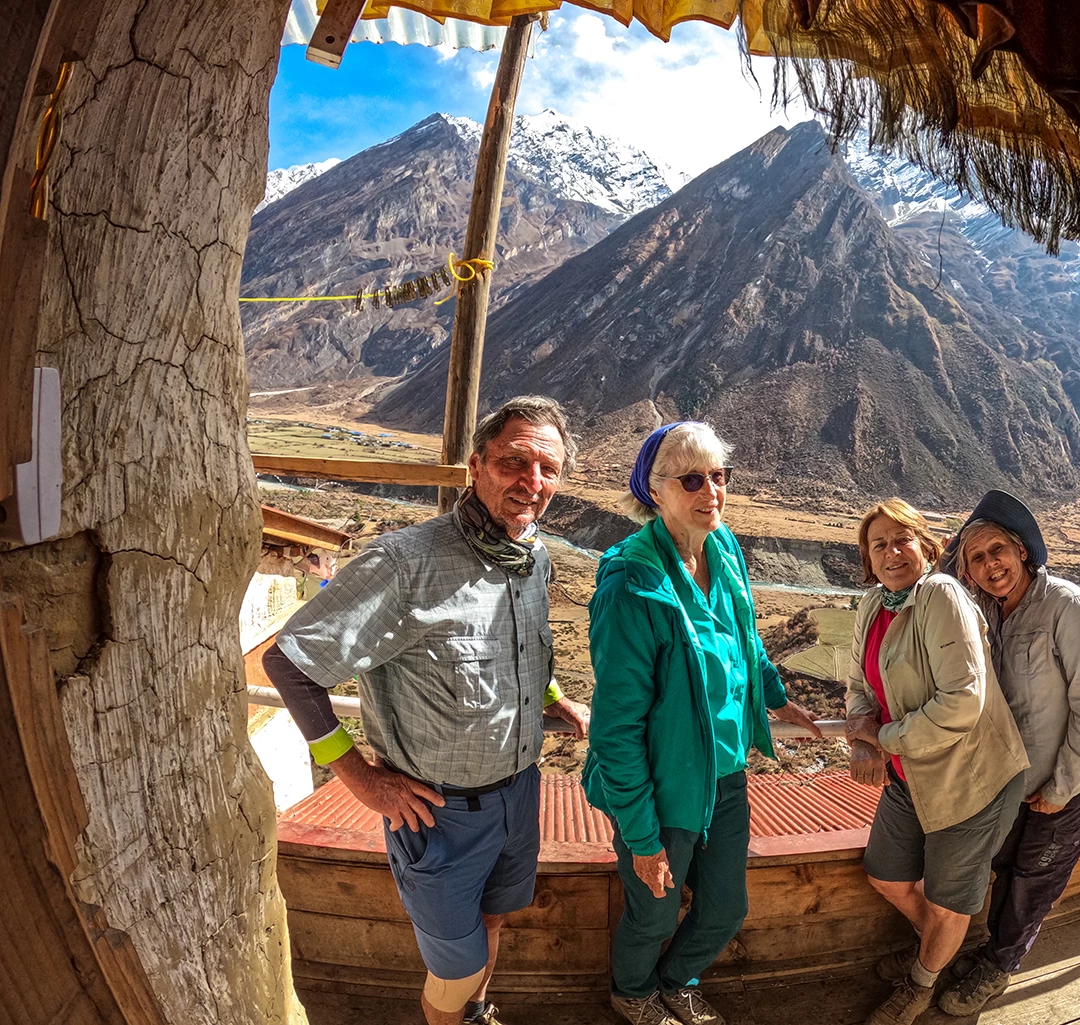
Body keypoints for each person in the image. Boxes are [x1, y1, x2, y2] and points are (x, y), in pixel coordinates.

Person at [263, 396, 591, 1025]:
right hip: (438, 815)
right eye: (514, 463)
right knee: (455, 967)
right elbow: (289, 664)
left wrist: (553, 698)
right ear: (476, 465)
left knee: (493, 921)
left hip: (519, 793)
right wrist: (360, 779)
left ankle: (475, 1014)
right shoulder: (406, 563)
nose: (532, 483)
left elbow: (519, 647)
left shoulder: (533, 556)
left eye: (547, 469)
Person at [584, 421, 822, 1025]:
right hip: (664, 785)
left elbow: (743, 638)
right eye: (692, 479)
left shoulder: (724, 549)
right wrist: (641, 837)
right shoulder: (633, 582)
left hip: (727, 773)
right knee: (655, 910)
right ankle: (633, 992)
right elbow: (616, 726)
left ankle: (674, 980)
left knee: (724, 909)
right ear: (654, 491)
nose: (710, 491)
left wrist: (773, 696)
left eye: (719, 476)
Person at [934, 490, 1080, 1017]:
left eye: (998, 551)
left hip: (1072, 775)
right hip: (1017, 776)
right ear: (968, 572)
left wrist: (1061, 787)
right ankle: (991, 948)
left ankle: (1000, 965)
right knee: (1004, 861)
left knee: (1037, 871)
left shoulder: (1067, 605)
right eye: (977, 558)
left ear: (1021, 552)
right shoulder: (991, 614)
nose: (991, 565)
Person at [844, 499, 1030, 1025]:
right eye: (878, 544)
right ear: (868, 558)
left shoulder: (942, 595)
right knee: (885, 874)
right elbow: (859, 684)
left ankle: (919, 984)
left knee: (949, 902)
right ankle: (937, 946)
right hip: (911, 775)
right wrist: (863, 737)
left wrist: (881, 737)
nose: (891, 552)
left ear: (928, 547)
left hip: (970, 779)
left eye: (902, 539)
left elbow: (962, 701)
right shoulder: (873, 606)